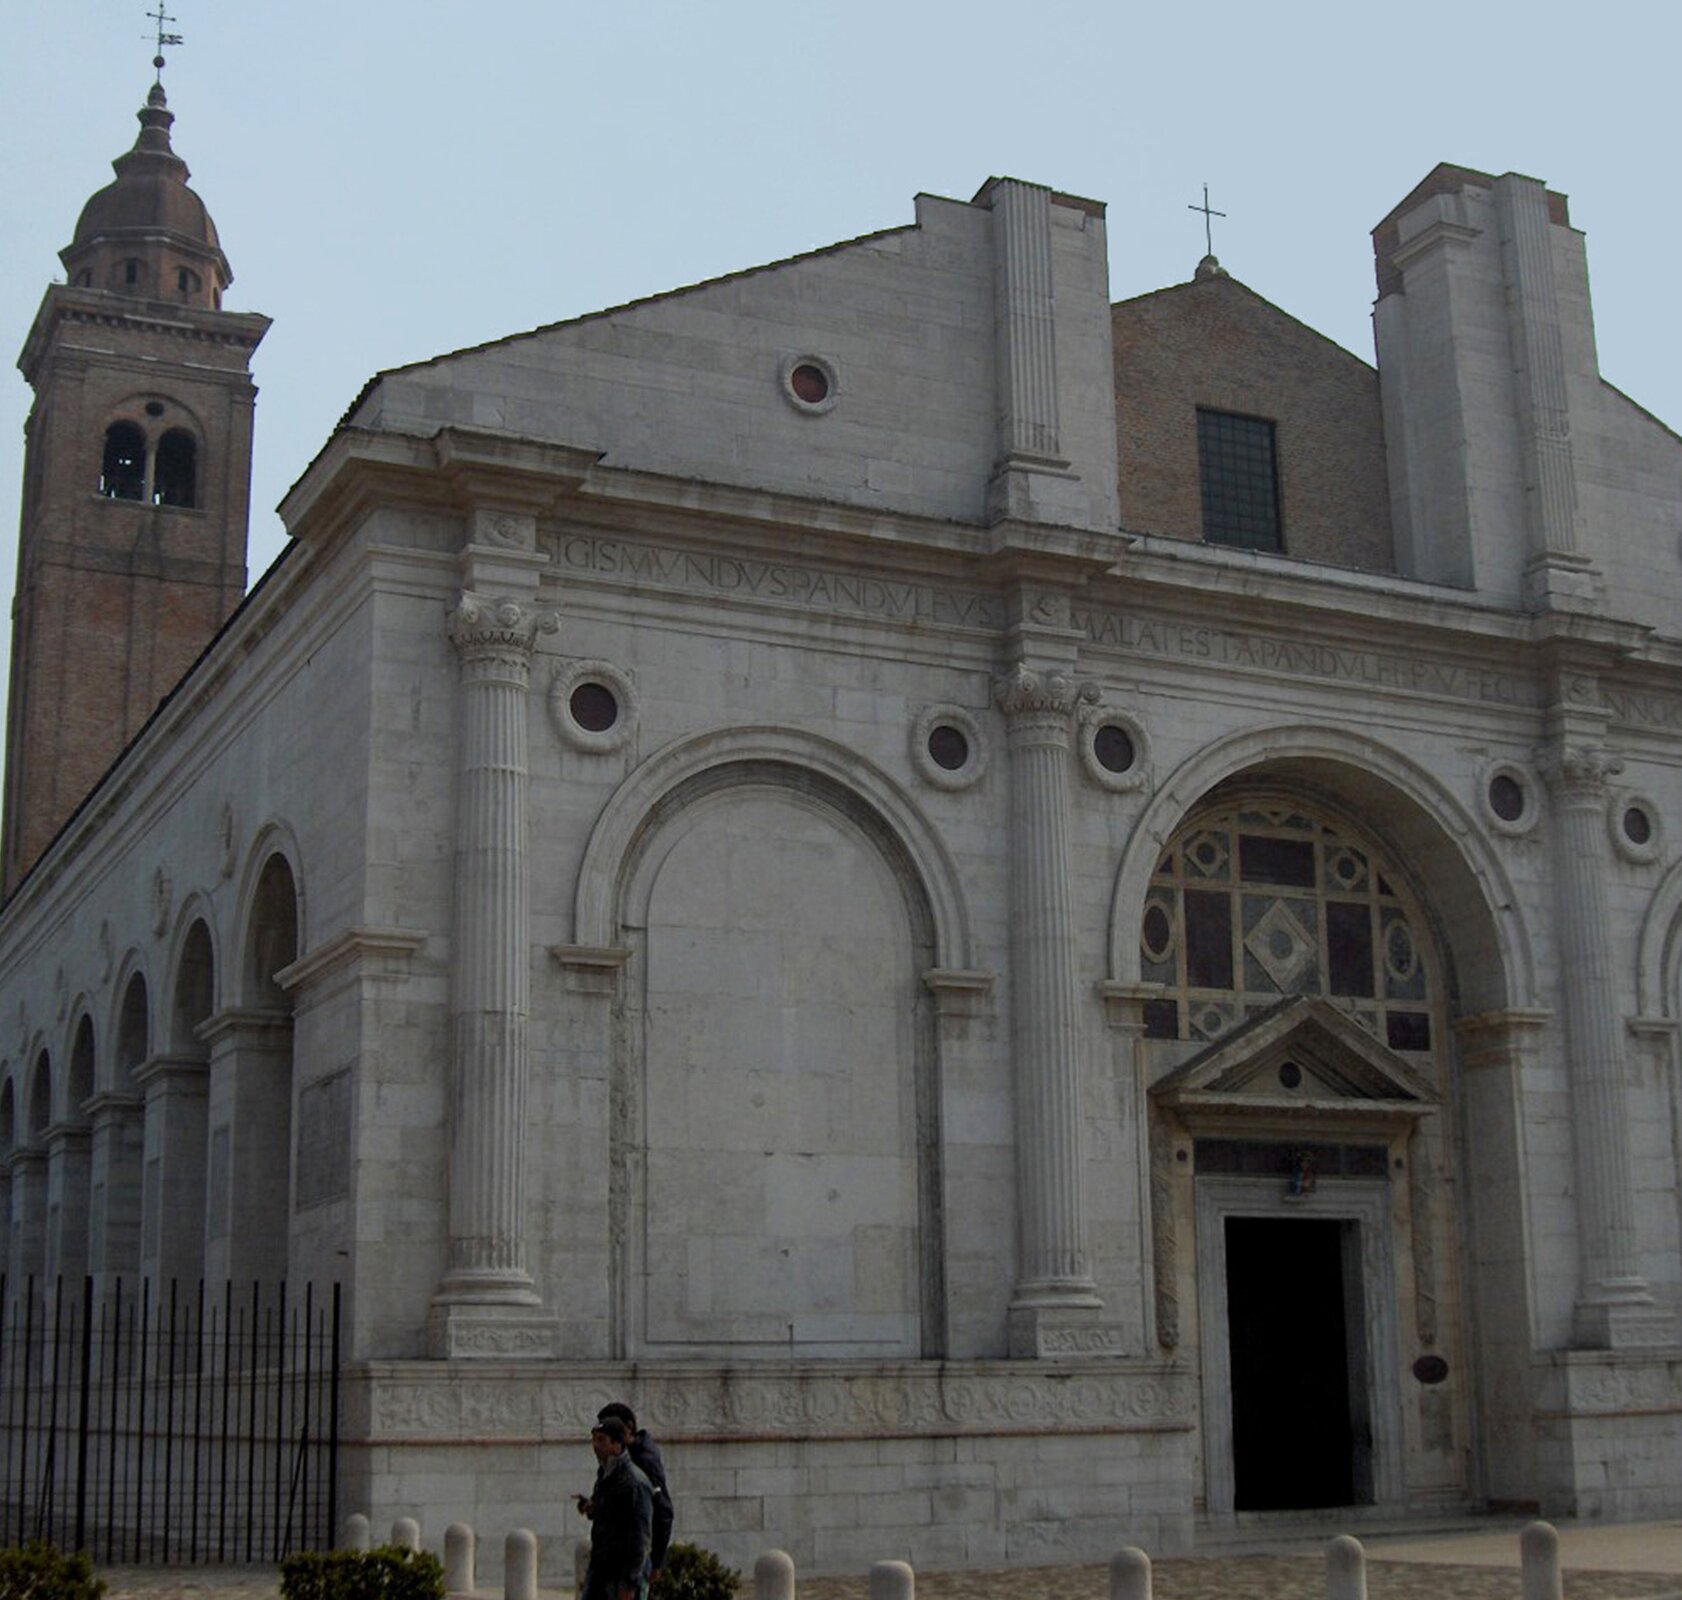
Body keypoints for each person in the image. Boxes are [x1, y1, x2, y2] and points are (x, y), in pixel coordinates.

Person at [578, 1417, 653, 1600]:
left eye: (601, 1440)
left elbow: (640, 1536)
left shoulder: (633, 1482)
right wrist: (592, 1508)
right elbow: (611, 1513)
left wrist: (629, 1582)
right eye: (594, 1440)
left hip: (622, 1573)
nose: (595, 1446)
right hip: (602, 1567)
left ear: (617, 1444)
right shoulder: (607, 1474)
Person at [596, 1401, 674, 1576]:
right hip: (608, 1557)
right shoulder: (612, 1461)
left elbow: (663, 1512)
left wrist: (656, 1561)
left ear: (627, 1429)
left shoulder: (644, 1462)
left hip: (633, 1561)